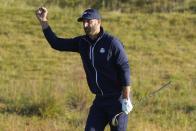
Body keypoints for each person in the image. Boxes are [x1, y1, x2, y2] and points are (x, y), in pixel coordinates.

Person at [35, 7, 133, 131]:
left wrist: (126, 98)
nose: (85, 25)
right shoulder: (82, 42)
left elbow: (124, 69)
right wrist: (43, 21)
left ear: (98, 22)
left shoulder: (112, 43)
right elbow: (56, 43)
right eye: (83, 22)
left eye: (89, 21)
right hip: (100, 101)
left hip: (118, 100)